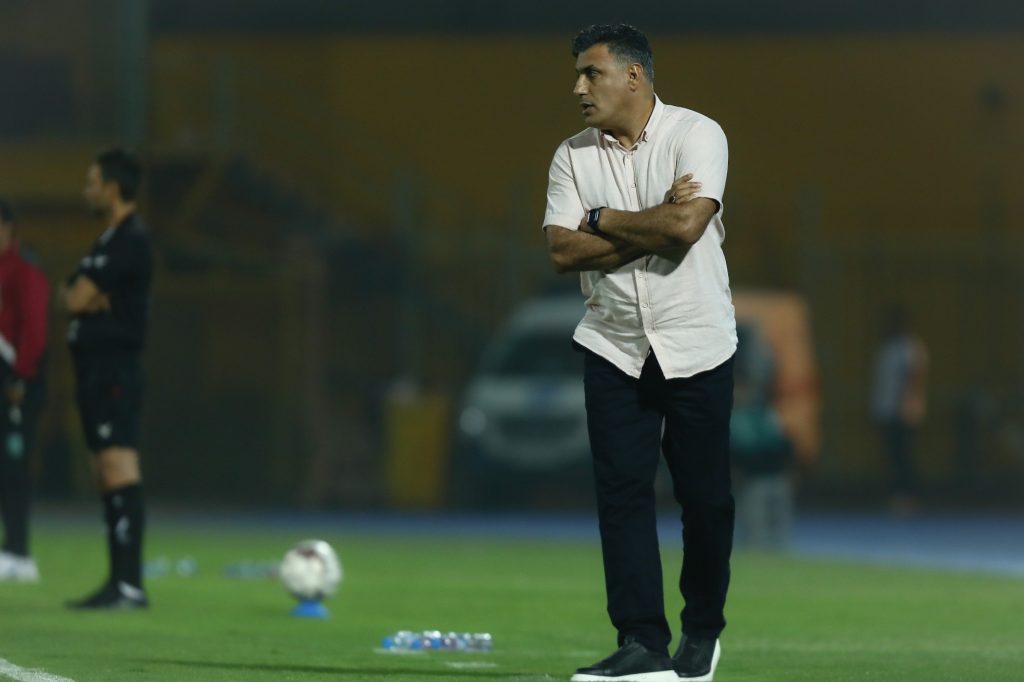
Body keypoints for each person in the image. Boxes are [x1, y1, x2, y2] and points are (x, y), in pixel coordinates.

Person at [543, 24, 736, 682]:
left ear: (634, 76)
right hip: (613, 343)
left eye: (590, 73)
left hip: (696, 342)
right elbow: (561, 251)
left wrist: (600, 219)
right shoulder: (571, 156)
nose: (578, 87)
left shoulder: (697, 133)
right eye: (578, 74)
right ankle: (642, 645)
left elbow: (685, 227)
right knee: (621, 496)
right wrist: (648, 222)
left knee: (705, 501)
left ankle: (702, 631)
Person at [61, 149, 153, 609]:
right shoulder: (108, 240)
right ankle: (118, 580)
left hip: (115, 368)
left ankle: (129, 585)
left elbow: (78, 297)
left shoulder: (129, 240)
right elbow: (70, 294)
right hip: (96, 369)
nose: (88, 191)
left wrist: (89, 298)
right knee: (104, 470)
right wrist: (88, 297)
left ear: (113, 189)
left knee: (118, 464)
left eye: (93, 183)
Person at [0, 199, 50, 583]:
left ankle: (19, 551)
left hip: (17, 380)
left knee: (13, 466)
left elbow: (34, 330)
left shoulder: (24, 270)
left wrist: (20, 379)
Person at [871, 305, 929, 514]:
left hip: (902, 410)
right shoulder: (888, 348)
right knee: (893, 455)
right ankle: (897, 493)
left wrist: (907, 404)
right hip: (887, 408)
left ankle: (907, 494)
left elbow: (914, 376)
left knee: (904, 454)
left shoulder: (910, 348)